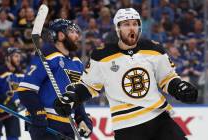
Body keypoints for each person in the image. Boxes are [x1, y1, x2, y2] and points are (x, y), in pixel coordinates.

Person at [53, 8, 198, 140]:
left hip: (158, 118)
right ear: (118, 28)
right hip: (126, 126)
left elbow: (167, 78)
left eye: (135, 24)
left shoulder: (153, 49)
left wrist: (180, 87)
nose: (132, 28)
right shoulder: (102, 56)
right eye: (126, 24)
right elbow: (89, 86)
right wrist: (72, 98)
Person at [17, 19, 93, 140]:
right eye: (72, 32)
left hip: (68, 124)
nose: (77, 36)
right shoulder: (47, 56)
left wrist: (82, 119)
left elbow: (75, 97)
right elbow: (25, 90)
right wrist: (38, 113)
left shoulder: (76, 63)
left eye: (77, 33)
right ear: (61, 35)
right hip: (47, 123)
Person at [0, 47, 23, 140]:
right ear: (8, 57)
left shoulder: (20, 74)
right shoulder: (0, 71)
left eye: (19, 56)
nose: (18, 59)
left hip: (12, 112)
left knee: (13, 137)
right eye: (16, 56)